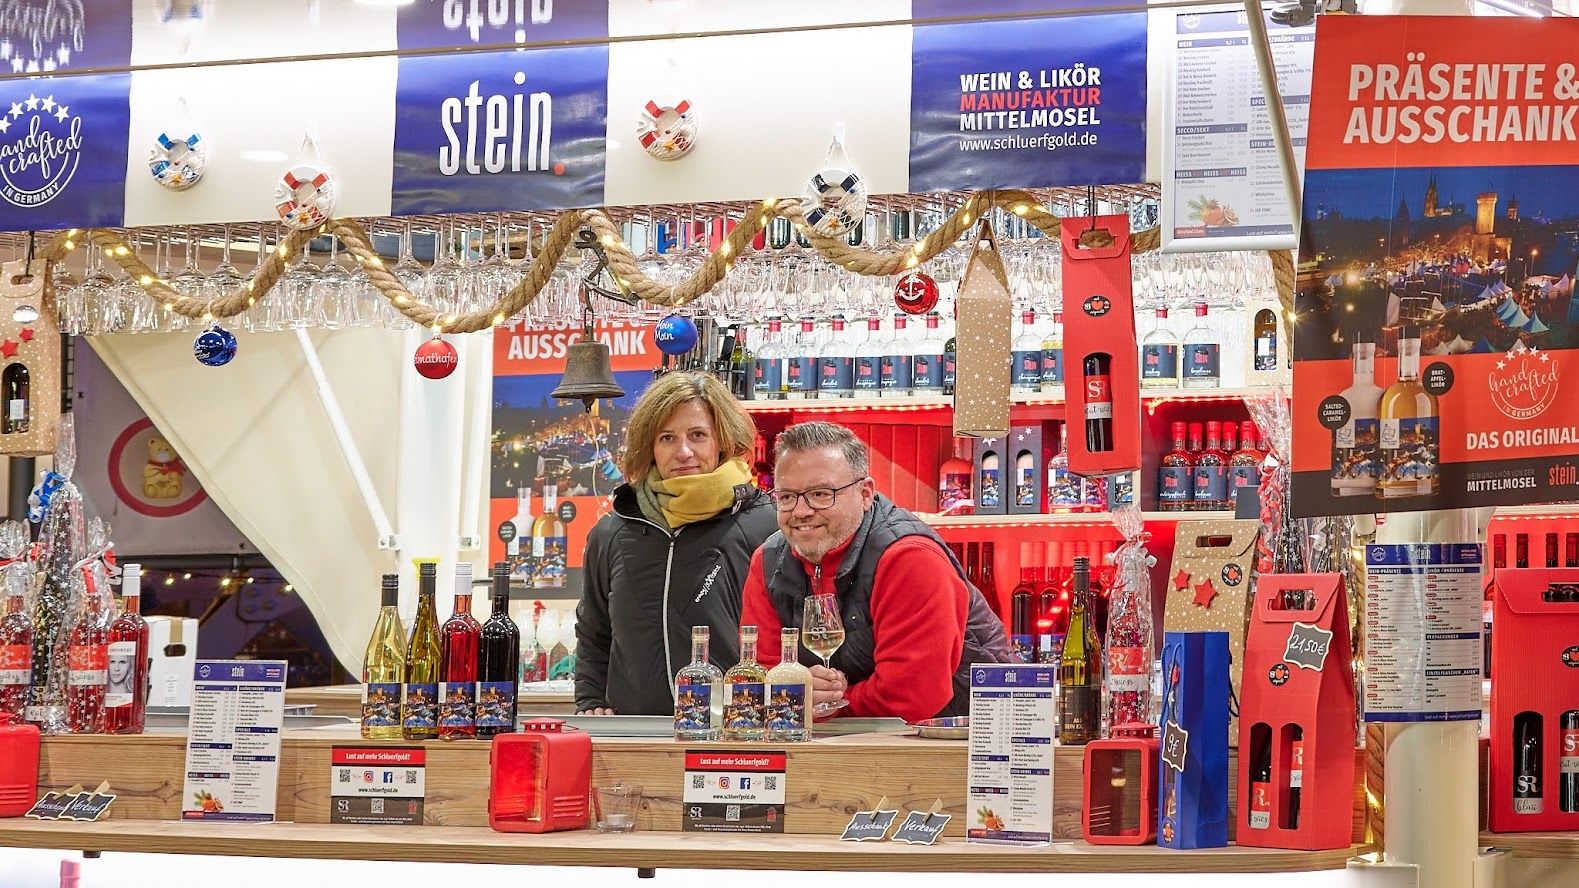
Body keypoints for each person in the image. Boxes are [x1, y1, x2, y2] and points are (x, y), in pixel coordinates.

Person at [740, 421, 1012, 724]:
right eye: (787, 497)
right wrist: (794, 695)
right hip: (834, 753)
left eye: (820, 494)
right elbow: (758, 678)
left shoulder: (910, 559)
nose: (801, 511)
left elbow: (911, 695)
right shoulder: (767, 561)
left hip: (953, 748)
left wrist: (813, 705)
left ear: (865, 493)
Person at [575, 372, 779, 715]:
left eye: (697, 435)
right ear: (650, 447)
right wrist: (591, 702)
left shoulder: (766, 523)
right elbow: (594, 631)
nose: (683, 452)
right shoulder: (611, 533)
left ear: (722, 441)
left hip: (737, 735)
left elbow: (790, 630)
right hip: (637, 737)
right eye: (667, 438)